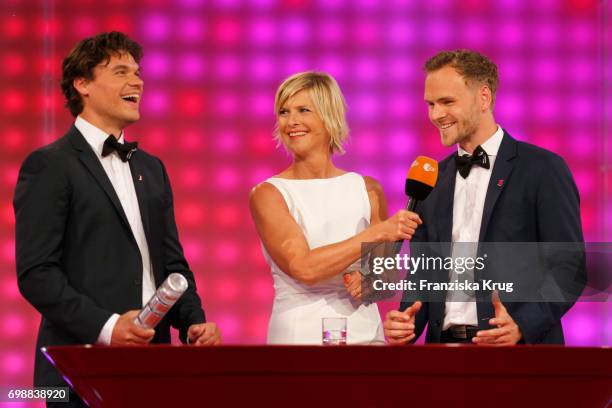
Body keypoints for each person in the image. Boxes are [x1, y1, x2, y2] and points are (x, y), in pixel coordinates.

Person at [14, 32, 220, 406]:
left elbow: (171, 264)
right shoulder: (49, 165)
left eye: (138, 72)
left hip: (151, 367)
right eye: (121, 71)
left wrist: (192, 321)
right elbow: (37, 274)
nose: (137, 81)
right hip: (78, 366)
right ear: (83, 84)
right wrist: (109, 327)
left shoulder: (152, 168)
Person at [383, 49, 585, 345]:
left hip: (519, 355)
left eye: (447, 102)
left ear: (484, 98)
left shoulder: (543, 169)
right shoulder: (431, 180)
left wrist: (522, 325)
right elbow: (424, 273)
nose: (436, 114)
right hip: (443, 354)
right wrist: (406, 319)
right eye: (430, 104)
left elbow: (570, 267)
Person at [249, 71, 422, 344]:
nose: (291, 121)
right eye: (284, 112)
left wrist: (371, 282)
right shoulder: (269, 194)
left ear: (329, 116)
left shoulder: (367, 188)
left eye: (303, 110)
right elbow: (304, 268)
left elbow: (384, 274)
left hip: (365, 335)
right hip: (300, 339)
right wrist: (376, 234)